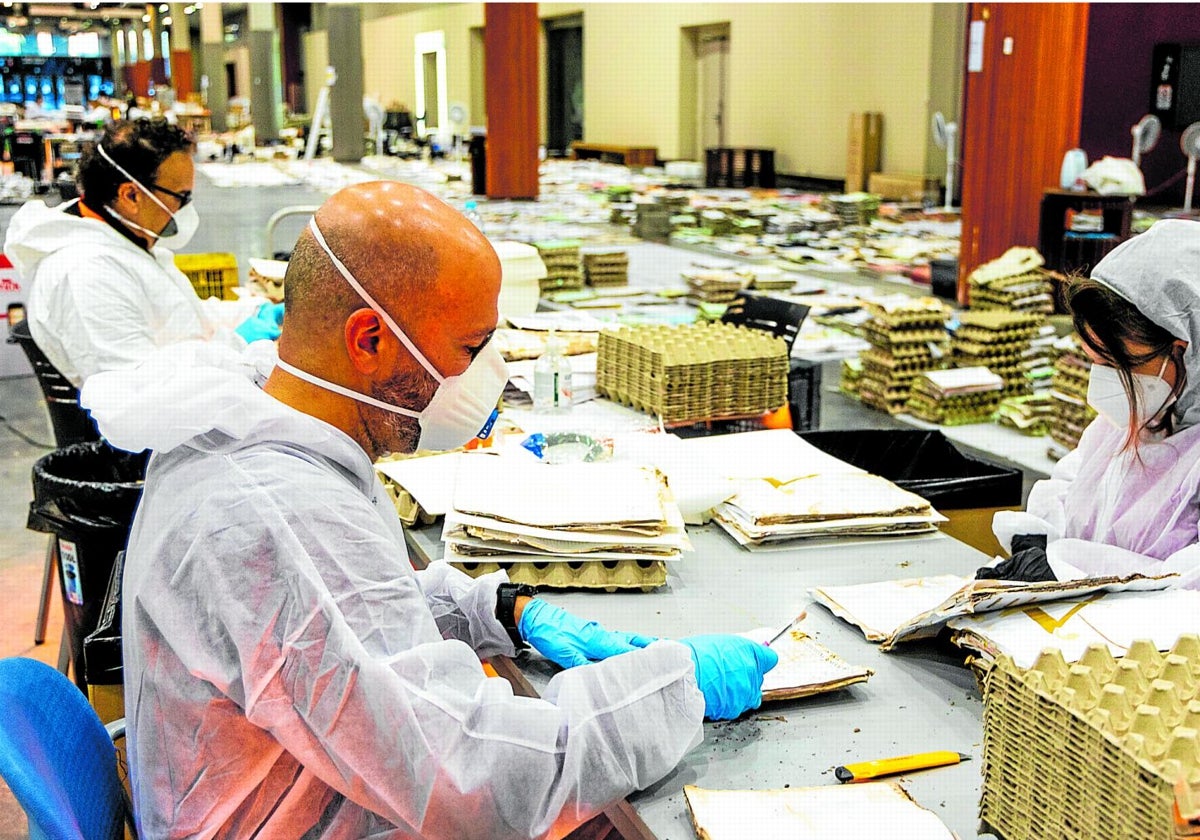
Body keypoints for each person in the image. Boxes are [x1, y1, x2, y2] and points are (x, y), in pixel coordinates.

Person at [80, 180, 777, 839]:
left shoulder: (257, 425)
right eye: (470, 349)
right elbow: (482, 780)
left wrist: (499, 611)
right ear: (370, 340)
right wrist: (676, 686)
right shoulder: (281, 511)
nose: (487, 378)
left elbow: (354, 616)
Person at [982, 219, 1200, 586]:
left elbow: (1187, 583)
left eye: (1117, 364)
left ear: (1185, 351)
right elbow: (1071, 489)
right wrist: (1038, 541)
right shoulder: (1132, 424)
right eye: (1094, 361)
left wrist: (1071, 570)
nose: (1104, 380)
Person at [4, 117, 280, 386]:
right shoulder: (86, 273)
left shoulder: (121, 239)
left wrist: (254, 312)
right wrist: (240, 345)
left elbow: (179, 315)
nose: (185, 209)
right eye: (180, 197)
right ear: (131, 196)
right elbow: (142, 387)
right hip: (172, 420)